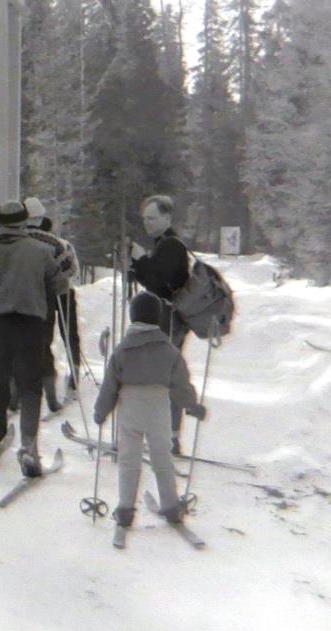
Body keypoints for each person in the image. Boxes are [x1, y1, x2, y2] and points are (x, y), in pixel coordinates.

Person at [0, 200, 69, 477]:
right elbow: (60, 284)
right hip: (30, 324)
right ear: (24, 221)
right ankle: (29, 446)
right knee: (30, 385)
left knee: (1, 381)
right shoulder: (40, 251)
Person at [92, 292, 206, 527]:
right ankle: (171, 506)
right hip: (158, 407)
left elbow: (110, 387)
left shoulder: (122, 351)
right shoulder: (169, 351)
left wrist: (101, 411)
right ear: (158, 319)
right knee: (162, 458)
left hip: (130, 407)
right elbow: (180, 384)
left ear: (133, 317)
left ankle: (125, 509)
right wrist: (192, 405)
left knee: (129, 459)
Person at [129, 194, 190, 455]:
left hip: (171, 320)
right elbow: (153, 279)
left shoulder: (171, 246)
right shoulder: (164, 244)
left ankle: (169, 436)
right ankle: (167, 435)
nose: (148, 224)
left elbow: (160, 282)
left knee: (165, 377)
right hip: (168, 319)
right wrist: (139, 265)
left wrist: (141, 261)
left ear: (167, 218)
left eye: (152, 218)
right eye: (145, 219)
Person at [25, 199, 83, 396]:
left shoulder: (20, 243)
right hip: (64, 291)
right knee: (70, 334)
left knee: (44, 336)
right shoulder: (59, 244)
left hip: (41, 294)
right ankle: (74, 376)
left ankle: (46, 377)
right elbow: (73, 269)